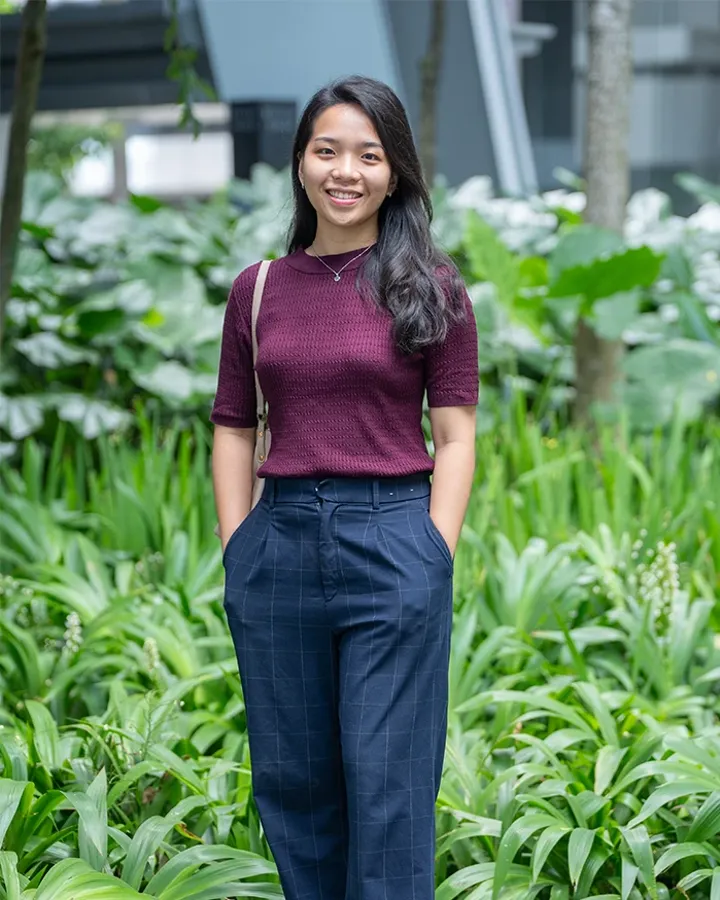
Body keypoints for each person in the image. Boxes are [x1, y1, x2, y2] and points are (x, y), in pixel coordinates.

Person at [210, 75, 478, 900]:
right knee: (292, 785)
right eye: (327, 150)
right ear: (299, 163)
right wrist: (238, 547)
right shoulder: (258, 291)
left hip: (393, 538)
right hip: (278, 544)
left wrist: (432, 549)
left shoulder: (432, 287)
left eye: (368, 154)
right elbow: (232, 426)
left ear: (395, 172)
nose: (345, 171)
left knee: (388, 785)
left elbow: (457, 434)